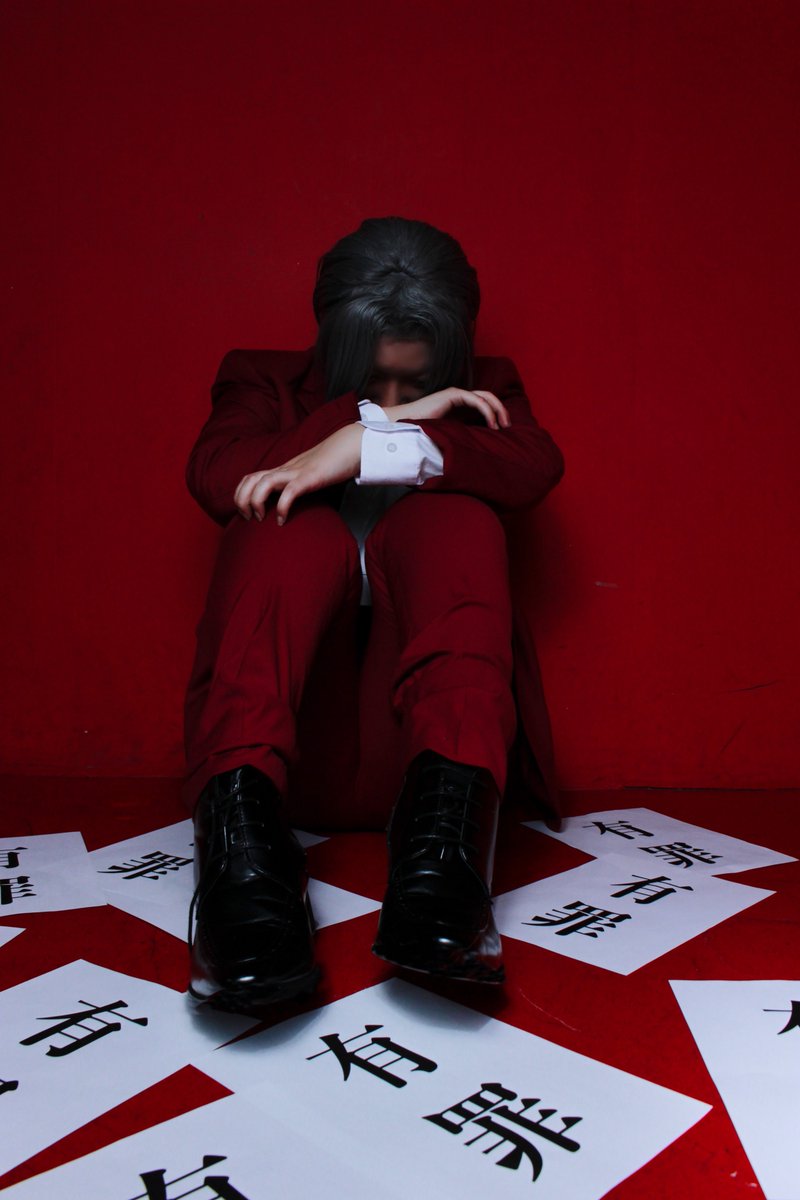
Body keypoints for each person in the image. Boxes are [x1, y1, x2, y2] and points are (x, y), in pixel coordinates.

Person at [183, 217, 564, 1013]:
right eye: (374, 381)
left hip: (437, 768)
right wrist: (365, 426)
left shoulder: (489, 386)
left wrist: (386, 440)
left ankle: (447, 872)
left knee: (456, 519)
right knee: (278, 526)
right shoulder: (260, 379)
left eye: (413, 384)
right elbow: (219, 476)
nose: (395, 400)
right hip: (279, 764)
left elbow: (533, 466)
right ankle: (240, 871)